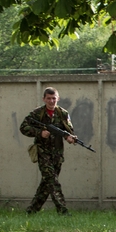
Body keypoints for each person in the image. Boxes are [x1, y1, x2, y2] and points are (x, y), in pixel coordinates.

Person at [19, 87, 77, 215]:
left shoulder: (62, 113)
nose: (51, 101)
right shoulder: (37, 113)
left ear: (58, 99)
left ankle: (32, 210)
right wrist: (39, 133)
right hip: (42, 151)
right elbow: (23, 127)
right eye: (49, 98)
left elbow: (69, 130)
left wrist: (69, 137)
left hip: (57, 152)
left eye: (54, 98)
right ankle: (63, 211)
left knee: (47, 183)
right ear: (44, 99)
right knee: (52, 180)